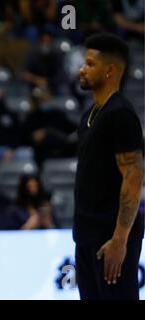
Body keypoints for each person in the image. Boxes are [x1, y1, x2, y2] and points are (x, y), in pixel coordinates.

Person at [74, 33, 144, 300]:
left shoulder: (121, 115)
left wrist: (119, 240)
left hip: (110, 240)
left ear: (110, 70)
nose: (82, 69)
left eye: (90, 64)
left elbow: (133, 177)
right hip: (87, 236)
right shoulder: (90, 114)